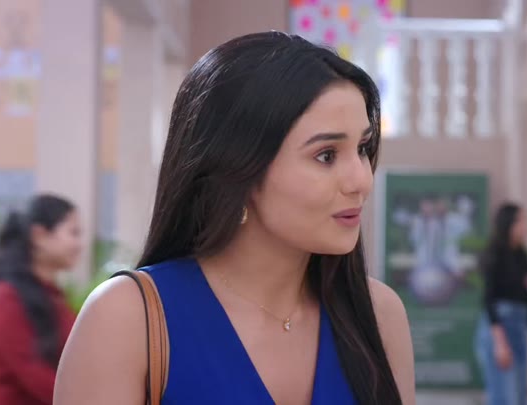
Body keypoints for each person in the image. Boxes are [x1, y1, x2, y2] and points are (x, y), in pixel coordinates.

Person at [53, 32, 415, 405]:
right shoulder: (127, 319)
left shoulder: (378, 316)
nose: (361, 180)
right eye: (326, 155)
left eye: (362, 148)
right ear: (240, 168)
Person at [0, 194, 81, 405]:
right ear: (39, 236)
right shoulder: (3, 300)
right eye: (73, 233)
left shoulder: (51, 296)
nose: (79, 244)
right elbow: (37, 377)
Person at [475, 203, 527, 405]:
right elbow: (488, 299)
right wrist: (500, 343)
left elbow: (525, 295)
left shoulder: (522, 255)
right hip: (500, 328)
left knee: (519, 396)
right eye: (521, 220)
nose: (525, 226)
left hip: (519, 326)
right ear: (508, 223)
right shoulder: (495, 253)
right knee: (504, 395)